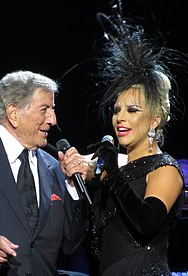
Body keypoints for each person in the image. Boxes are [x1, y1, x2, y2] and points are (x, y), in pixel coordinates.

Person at [86, 1, 185, 275]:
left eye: (132, 110)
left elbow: (146, 220)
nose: (120, 118)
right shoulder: (120, 170)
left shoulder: (165, 169)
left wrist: (111, 170)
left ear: (154, 120)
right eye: (116, 110)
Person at [0, 70, 90, 275]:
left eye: (53, 109)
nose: (53, 120)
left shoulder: (53, 167)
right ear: (13, 113)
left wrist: (73, 187)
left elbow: (69, 245)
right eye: (44, 109)